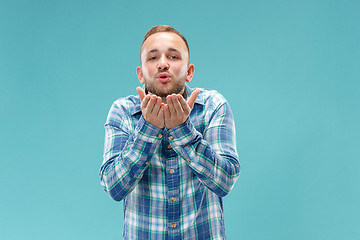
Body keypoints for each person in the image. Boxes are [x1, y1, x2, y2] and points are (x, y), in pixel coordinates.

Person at [100, 25, 240, 240]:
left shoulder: (213, 106)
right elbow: (114, 186)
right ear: (140, 73)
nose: (163, 64)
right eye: (153, 58)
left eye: (173, 57)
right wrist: (148, 128)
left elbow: (225, 181)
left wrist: (182, 131)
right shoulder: (123, 111)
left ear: (189, 71)